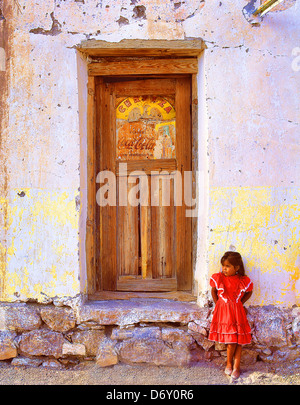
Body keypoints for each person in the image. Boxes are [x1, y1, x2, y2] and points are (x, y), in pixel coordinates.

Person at [208, 251, 253, 379]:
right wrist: (218, 305)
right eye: (223, 266)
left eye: (227, 266)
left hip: (237, 312)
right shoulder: (219, 278)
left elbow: (249, 292)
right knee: (231, 340)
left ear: (236, 268)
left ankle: (236, 367)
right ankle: (228, 364)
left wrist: (240, 302)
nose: (224, 269)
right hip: (224, 312)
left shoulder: (242, 280)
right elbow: (214, 290)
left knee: (239, 341)